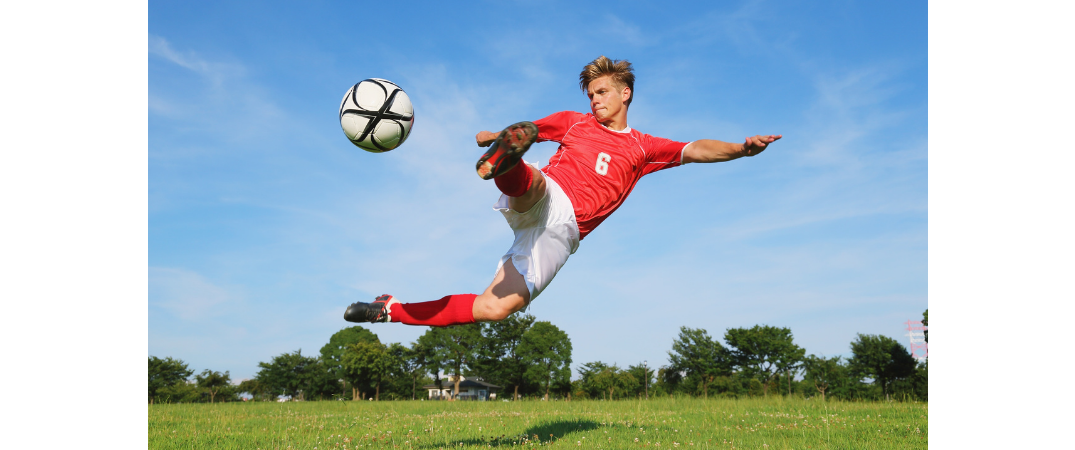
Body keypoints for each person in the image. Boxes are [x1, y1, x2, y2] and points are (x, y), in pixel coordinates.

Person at [344, 56, 781, 326]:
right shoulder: (575, 122)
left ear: (626, 93)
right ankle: (507, 165)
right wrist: (500, 137)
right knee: (534, 185)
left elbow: (695, 148)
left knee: (494, 309)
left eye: (602, 92)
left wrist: (741, 149)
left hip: (563, 236)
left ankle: (389, 309)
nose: (595, 100)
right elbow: (531, 129)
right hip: (551, 195)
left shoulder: (644, 147)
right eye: (590, 94)